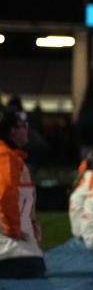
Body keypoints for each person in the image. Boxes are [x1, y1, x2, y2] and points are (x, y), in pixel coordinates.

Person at [0, 107, 45, 278]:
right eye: (23, 126)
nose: (27, 130)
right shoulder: (4, 156)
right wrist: (14, 230)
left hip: (9, 246)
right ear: (12, 131)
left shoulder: (11, 157)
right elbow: (5, 194)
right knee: (31, 266)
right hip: (7, 248)